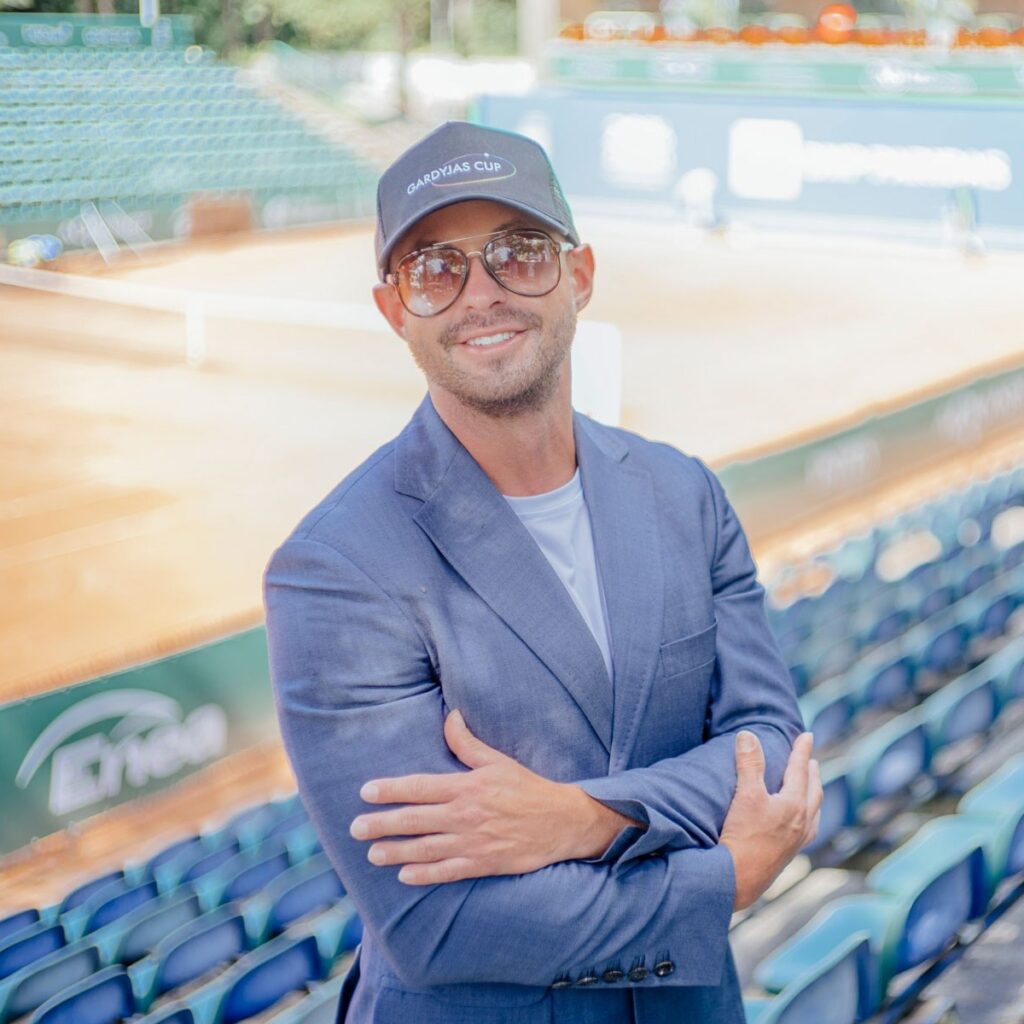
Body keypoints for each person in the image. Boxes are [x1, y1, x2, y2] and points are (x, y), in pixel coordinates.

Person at [263, 120, 821, 1024]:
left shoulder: (684, 493)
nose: (480, 292)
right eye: (434, 269)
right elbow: (438, 927)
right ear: (394, 309)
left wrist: (584, 817)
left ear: (580, 274)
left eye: (517, 253)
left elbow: (770, 752)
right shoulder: (334, 567)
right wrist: (722, 883)